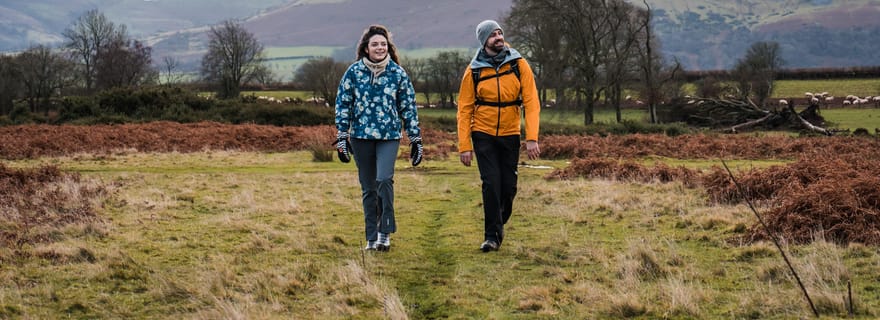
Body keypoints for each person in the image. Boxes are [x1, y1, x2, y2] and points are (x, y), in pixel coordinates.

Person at [335, 24, 423, 252]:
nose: (380, 47)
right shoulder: (353, 73)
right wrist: (342, 136)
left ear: (388, 48)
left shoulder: (397, 74)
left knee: (384, 180)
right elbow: (343, 104)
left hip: (389, 137)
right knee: (368, 188)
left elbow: (408, 107)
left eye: (383, 44)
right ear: (366, 48)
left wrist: (415, 139)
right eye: (375, 44)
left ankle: (385, 232)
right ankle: (371, 238)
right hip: (360, 137)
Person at [456, 19, 540, 252]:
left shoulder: (518, 64)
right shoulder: (473, 71)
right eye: (493, 35)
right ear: (484, 41)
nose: (498, 37)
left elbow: (532, 102)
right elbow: (464, 110)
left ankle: (498, 221)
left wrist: (531, 137)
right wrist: (465, 146)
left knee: (509, 187)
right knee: (491, 183)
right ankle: (491, 236)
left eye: (500, 33)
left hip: (510, 133)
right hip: (482, 133)